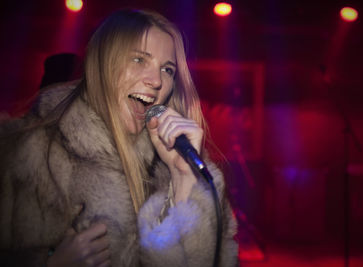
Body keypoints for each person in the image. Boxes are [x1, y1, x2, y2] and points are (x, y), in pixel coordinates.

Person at [0, 9, 238, 267]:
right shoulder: (25, 153)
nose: (157, 80)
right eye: (139, 60)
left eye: (167, 69)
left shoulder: (173, 164)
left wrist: (184, 178)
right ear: (102, 63)